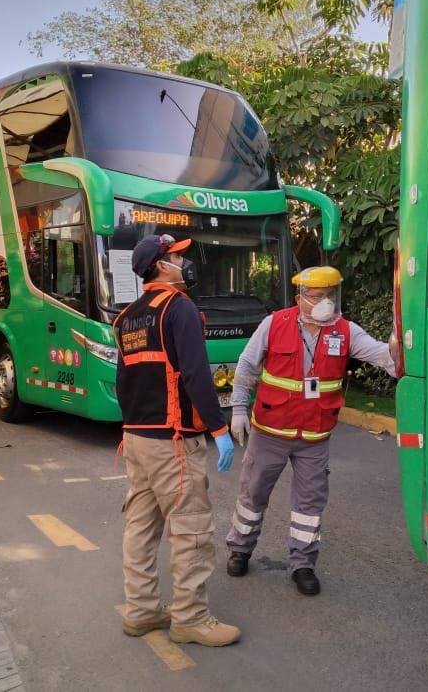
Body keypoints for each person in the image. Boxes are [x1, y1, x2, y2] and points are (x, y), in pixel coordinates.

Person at [224, 266, 400, 595]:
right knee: (253, 494)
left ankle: (303, 563)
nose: (325, 303)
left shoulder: (345, 331)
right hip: (271, 432)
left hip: (314, 437)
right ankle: (240, 549)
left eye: (330, 295)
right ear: (300, 297)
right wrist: (237, 408)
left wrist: (404, 360)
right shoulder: (275, 323)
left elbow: (383, 356)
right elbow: (248, 364)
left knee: (310, 505)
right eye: (317, 296)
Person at [113, 233, 241, 646]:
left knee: (140, 528)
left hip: (136, 438)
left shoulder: (126, 317)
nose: (182, 263)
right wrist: (219, 428)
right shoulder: (179, 308)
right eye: (175, 257)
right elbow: (197, 374)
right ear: (160, 266)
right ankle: (189, 618)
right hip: (172, 440)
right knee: (191, 529)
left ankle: (142, 610)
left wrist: (135, 428)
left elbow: (123, 382)